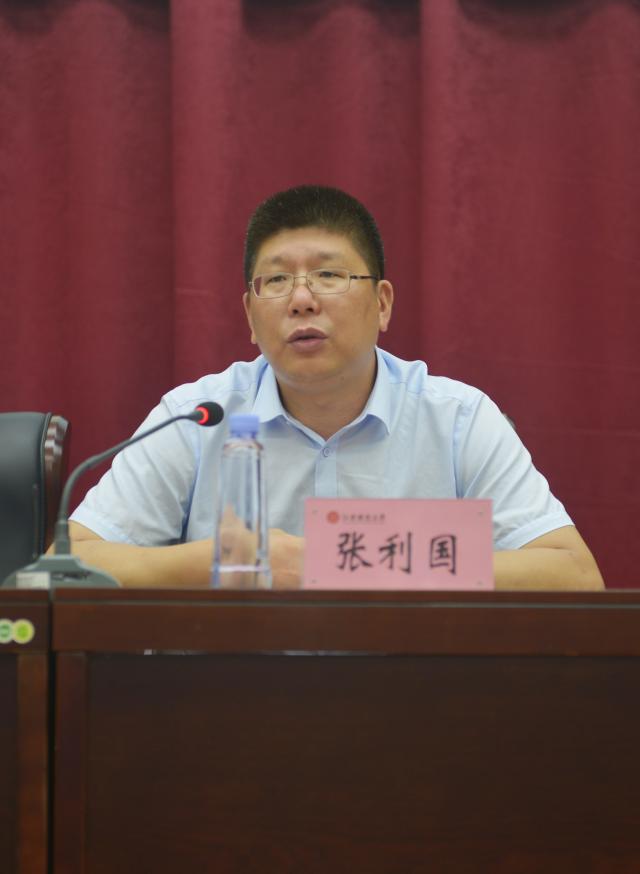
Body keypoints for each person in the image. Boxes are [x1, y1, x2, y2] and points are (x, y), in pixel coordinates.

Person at [67, 185, 604, 590]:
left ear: (382, 304)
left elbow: (573, 575)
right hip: (230, 693)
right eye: (277, 280)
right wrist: (231, 561)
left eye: (329, 275)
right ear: (250, 317)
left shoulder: (456, 418)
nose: (302, 300)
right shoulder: (198, 416)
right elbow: (69, 565)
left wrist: (343, 559)